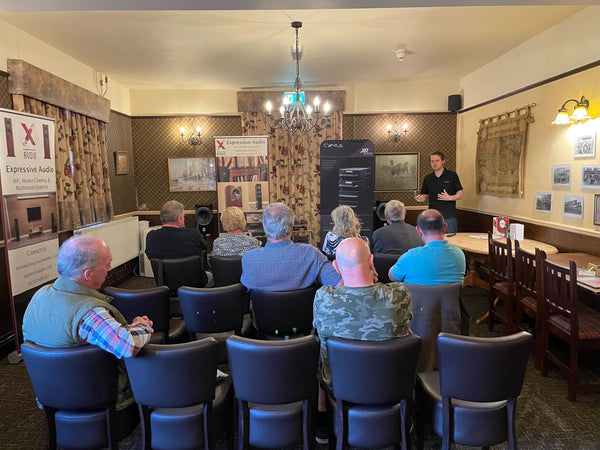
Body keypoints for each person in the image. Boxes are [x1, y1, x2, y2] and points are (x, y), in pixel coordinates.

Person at [22, 236, 154, 414]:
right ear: (88, 274)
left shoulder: (39, 296)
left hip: (51, 393)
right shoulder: (89, 314)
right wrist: (141, 325)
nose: (110, 269)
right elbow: (129, 346)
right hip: (95, 396)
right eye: (107, 264)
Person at [313, 237, 412, 392]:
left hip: (340, 388)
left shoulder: (324, 299)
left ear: (336, 267)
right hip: (391, 386)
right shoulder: (398, 295)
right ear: (372, 261)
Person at [241, 202, 341, 290]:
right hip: (304, 311)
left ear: (264, 226)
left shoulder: (248, 259)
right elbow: (339, 284)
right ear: (291, 228)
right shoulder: (311, 254)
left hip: (260, 311)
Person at [145, 200, 213, 287]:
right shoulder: (194, 234)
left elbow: (150, 256)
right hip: (194, 285)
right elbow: (204, 248)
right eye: (183, 217)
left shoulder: (151, 237)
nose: (184, 219)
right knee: (210, 276)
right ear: (179, 219)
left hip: (165, 285)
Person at [389, 209, 466, 285]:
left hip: (416, 297)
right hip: (450, 298)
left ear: (419, 231)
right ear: (445, 227)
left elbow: (392, 277)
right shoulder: (460, 254)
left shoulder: (410, 256)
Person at [414, 151, 463, 233]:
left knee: (451, 242)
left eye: (437, 161)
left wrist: (450, 198)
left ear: (443, 161)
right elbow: (424, 196)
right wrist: (420, 198)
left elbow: (460, 193)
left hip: (449, 217)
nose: (434, 163)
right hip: (432, 217)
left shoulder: (452, 175)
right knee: (433, 241)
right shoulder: (428, 178)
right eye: (432, 161)